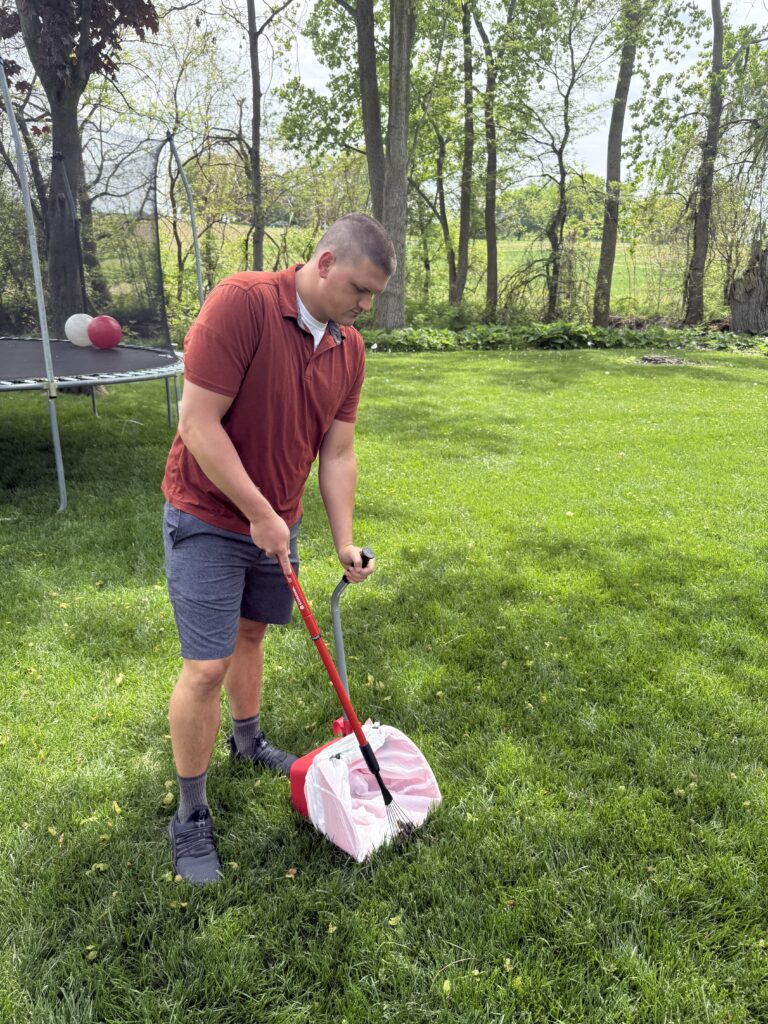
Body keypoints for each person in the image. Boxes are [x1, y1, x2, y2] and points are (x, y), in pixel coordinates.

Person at [161, 214, 395, 884]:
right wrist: (262, 514)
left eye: (373, 296)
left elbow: (339, 450)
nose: (365, 306)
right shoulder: (242, 303)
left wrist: (343, 539)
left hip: (275, 522)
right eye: (358, 288)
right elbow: (198, 423)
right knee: (207, 665)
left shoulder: (347, 349)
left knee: (251, 635)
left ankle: (246, 739)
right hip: (206, 514)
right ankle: (191, 815)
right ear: (324, 262)